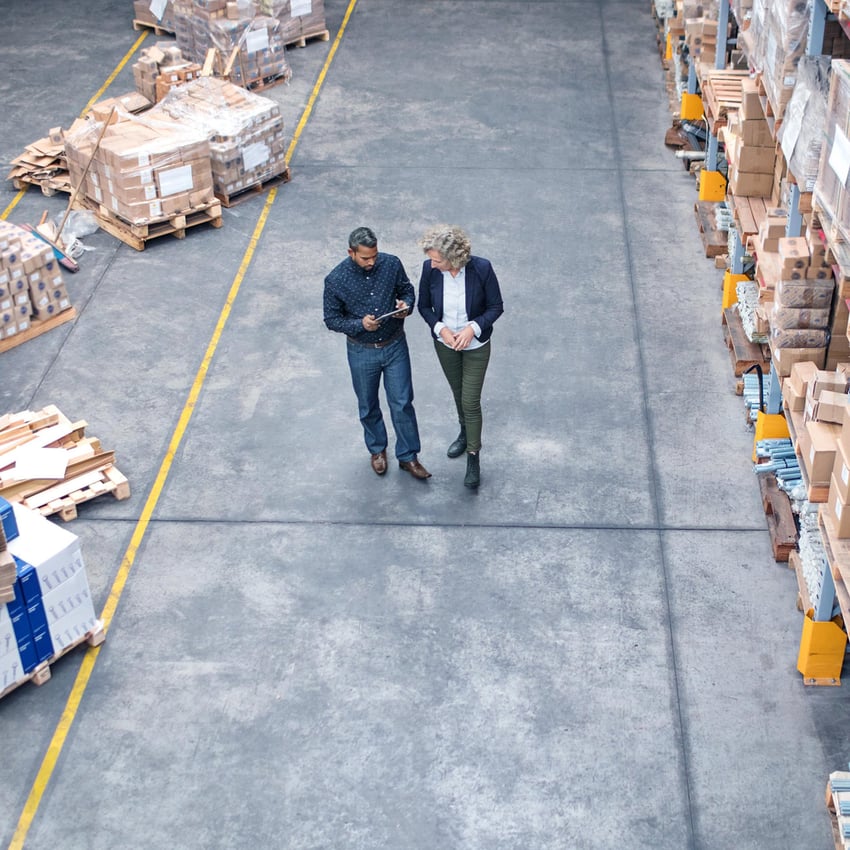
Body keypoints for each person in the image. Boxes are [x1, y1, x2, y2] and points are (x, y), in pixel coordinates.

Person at [323, 226, 431, 480]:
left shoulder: (391, 264)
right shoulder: (336, 280)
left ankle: (408, 456)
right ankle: (377, 450)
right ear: (351, 252)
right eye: (365, 258)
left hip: (395, 346)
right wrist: (360, 324)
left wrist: (406, 305)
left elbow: (406, 289)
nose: (372, 262)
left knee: (402, 403)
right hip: (362, 351)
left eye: (374, 256)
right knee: (368, 404)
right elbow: (331, 319)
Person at [417, 225, 504, 489]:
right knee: (458, 393)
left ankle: (473, 456)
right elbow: (423, 306)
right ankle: (464, 433)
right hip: (445, 344)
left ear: (454, 258)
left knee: (470, 400)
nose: (432, 265)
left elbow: (495, 307)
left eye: (437, 260)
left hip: (476, 345)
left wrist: (472, 328)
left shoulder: (482, 269)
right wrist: (440, 328)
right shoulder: (429, 271)